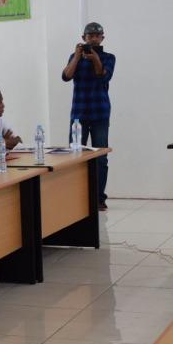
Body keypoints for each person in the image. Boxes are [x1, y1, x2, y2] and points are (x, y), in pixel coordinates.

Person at [61, 22, 115, 210]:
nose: (93, 39)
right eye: (90, 36)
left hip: (100, 112)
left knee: (101, 158)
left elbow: (103, 76)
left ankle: (99, 198)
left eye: (97, 36)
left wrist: (95, 59)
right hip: (79, 114)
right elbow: (66, 76)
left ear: (102, 38)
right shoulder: (74, 56)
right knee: (75, 157)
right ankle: (77, 198)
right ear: (83, 38)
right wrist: (77, 57)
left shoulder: (109, 57)